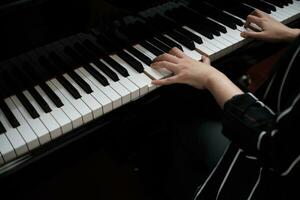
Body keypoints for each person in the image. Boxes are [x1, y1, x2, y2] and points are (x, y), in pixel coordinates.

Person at [150, 9, 300, 200]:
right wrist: (292, 34)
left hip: (268, 182)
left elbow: (276, 148)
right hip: (275, 124)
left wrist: (211, 77)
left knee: (182, 125)